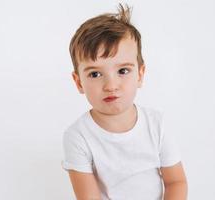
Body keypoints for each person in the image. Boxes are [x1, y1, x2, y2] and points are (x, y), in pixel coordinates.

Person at [62, 3, 188, 200]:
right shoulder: (78, 136)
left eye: (123, 71)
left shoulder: (157, 125)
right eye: (95, 74)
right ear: (79, 82)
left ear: (140, 74)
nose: (111, 85)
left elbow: (176, 182)